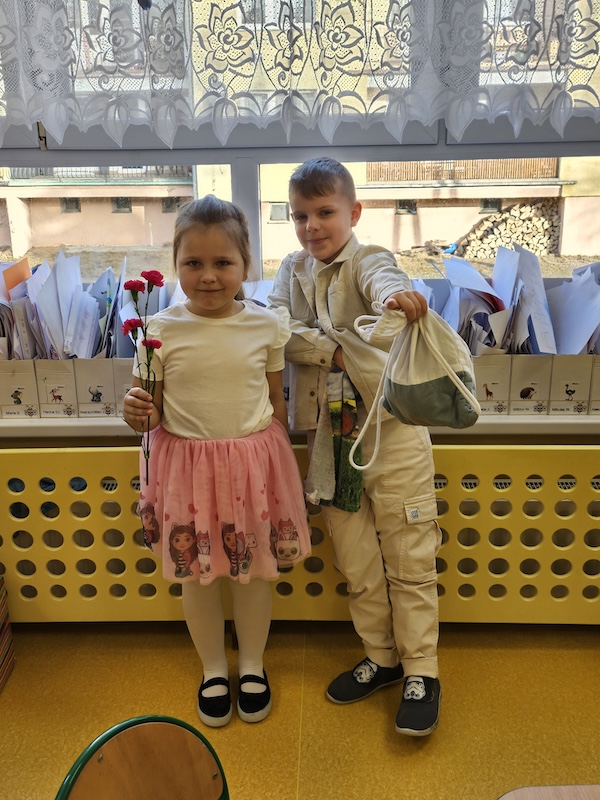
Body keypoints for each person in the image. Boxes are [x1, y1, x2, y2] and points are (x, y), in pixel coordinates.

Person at [268, 158, 442, 736]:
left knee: (409, 557)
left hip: (392, 434)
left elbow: (387, 286)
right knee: (359, 562)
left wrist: (395, 300)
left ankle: (422, 671)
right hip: (329, 441)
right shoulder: (291, 271)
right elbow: (275, 330)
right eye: (300, 216)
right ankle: (381, 658)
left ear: (354, 212)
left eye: (325, 212)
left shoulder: (369, 260)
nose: (312, 226)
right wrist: (337, 350)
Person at [123, 195, 311, 728]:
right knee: (197, 577)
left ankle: (251, 664)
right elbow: (147, 412)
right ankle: (212, 669)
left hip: (253, 466)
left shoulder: (266, 326)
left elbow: (275, 402)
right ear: (176, 264)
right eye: (194, 263)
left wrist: (280, 467)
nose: (208, 276)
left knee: (254, 574)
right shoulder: (156, 332)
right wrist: (134, 411)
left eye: (223, 262)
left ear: (245, 265)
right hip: (187, 471)